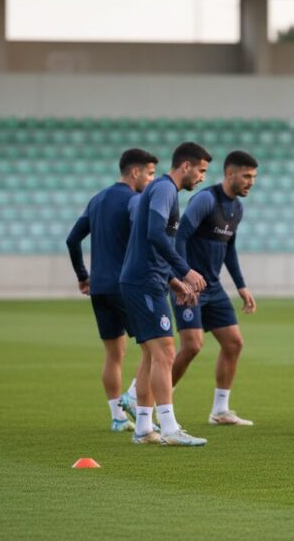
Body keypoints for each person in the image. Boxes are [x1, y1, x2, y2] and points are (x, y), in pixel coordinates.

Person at [119, 142, 210, 446]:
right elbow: (155, 234)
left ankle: (144, 428)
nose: (201, 178)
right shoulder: (164, 189)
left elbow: (151, 243)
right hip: (143, 282)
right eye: (201, 170)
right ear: (185, 166)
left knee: (150, 355)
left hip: (149, 279)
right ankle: (169, 428)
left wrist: (174, 282)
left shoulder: (160, 189)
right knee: (166, 351)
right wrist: (185, 271)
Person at [66, 148, 159, 433]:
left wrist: (84, 276)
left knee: (114, 354)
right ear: (135, 172)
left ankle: (118, 417)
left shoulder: (97, 199)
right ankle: (133, 399)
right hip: (126, 285)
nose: (152, 180)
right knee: (154, 349)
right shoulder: (135, 202)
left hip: (100, 287)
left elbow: (72, 239)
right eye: (150, 173)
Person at [171, 150, 259, 426]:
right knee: (192, 346)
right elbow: (180, 237)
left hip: (214, 287)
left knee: (234, 343)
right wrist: (183, 277)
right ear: (230, 173)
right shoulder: (205, 200)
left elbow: (229, 249)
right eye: (246, 176)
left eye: (254, 177)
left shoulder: (238, 209)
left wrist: (241, 286)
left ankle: (220, 411)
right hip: (190, 287)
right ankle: (155, 401)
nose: (251, 182)